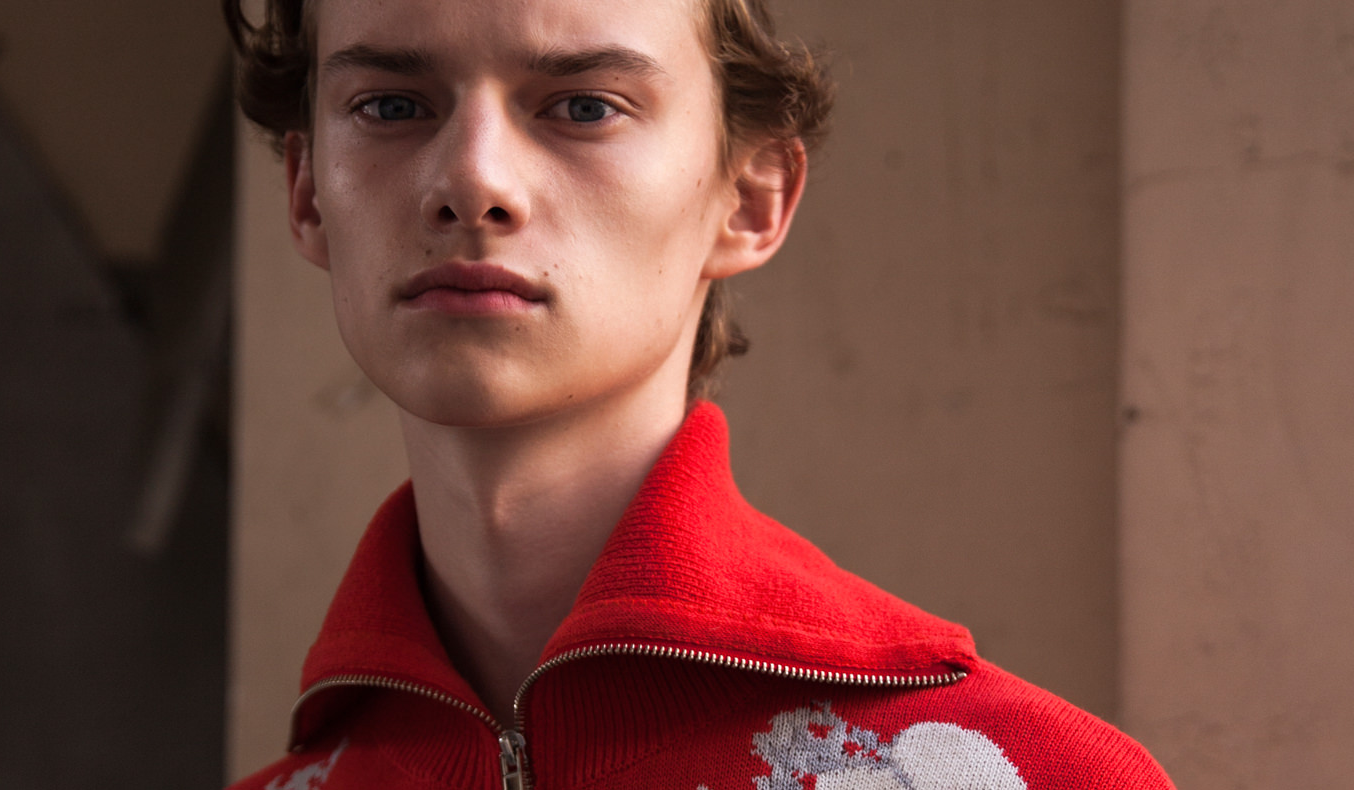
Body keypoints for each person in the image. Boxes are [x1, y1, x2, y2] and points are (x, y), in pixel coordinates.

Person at [222, 0, 1175, 787]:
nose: (471, 180)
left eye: (584, 106)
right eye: (390, 106)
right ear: (307, 194)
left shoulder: (1033, 775)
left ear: (751, 197)